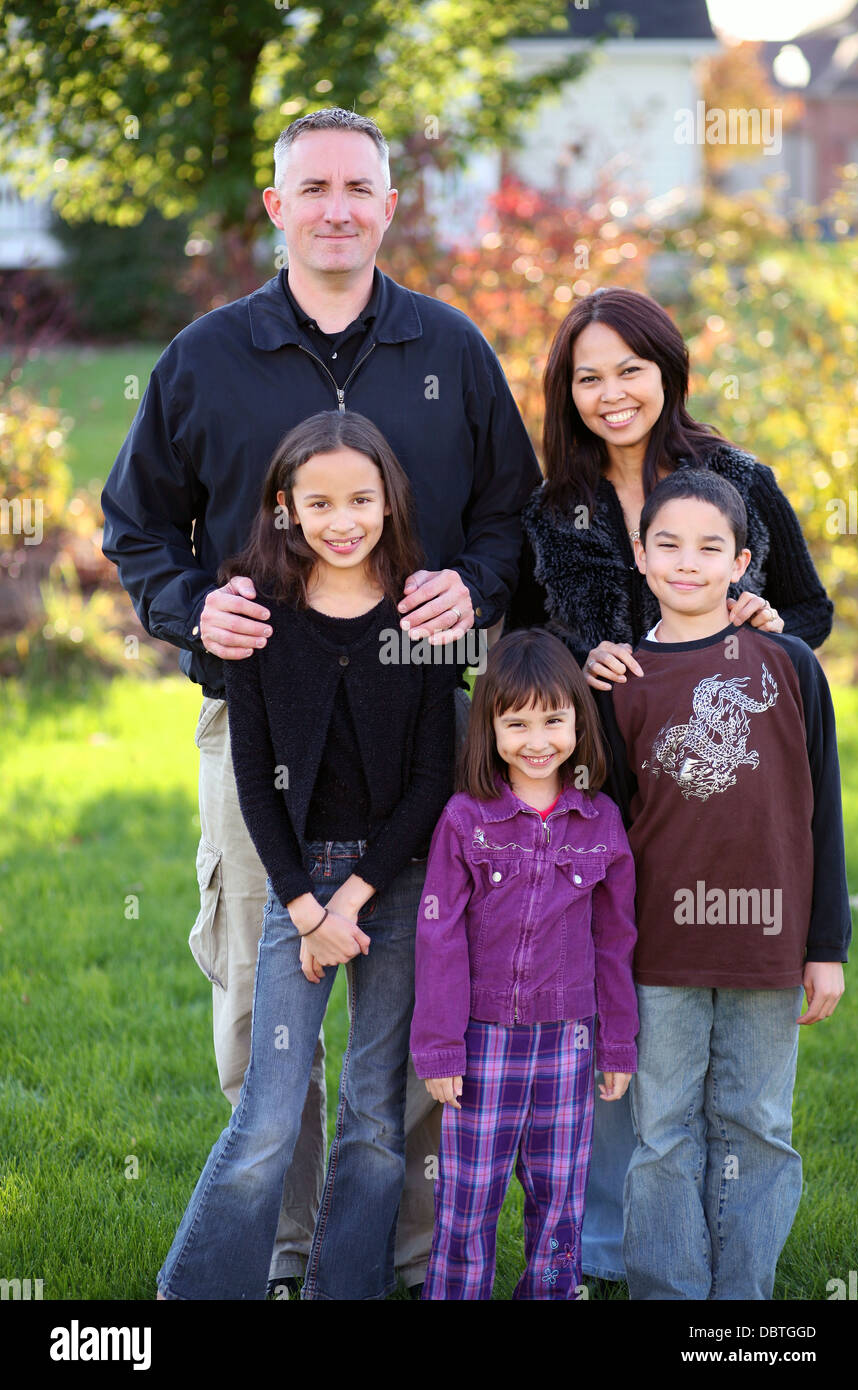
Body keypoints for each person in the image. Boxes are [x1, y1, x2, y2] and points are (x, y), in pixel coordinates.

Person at [101, 107, 540, 1292]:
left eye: (361, 185)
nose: (338, 205)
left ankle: (391, 1260)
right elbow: (136, 526)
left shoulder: (451, 351)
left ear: (390, 205)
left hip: (417, 724)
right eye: (315, 186)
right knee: (265, 1005)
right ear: (277, 207)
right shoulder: (204, 357)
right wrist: (189, 605)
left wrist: (476, 582)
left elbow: (513, 516)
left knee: (410, 1006)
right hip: (261, 720)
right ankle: (285, 1255)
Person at [506, 284, 834, 1282]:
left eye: (629, 369)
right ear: (565, 389)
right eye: (587, 375)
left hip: (734, 792)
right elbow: (522, 638)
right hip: (607, 796)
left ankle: (730, 1284)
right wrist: (576, 664)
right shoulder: (552, 508)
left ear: (665, 371)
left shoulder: (734, 475)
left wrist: (770, 640)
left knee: (740, 1101)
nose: (611, 393)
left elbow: (807, 612)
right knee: (632, 1068)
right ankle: (623, 1258)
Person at [157, 409, 457, 1300]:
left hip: (396, 884)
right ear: (284, 507)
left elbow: (433, 777)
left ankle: (346, 1286)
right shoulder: (257, 610)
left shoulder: (418, 615)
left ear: (390, 501)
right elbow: (254, 774)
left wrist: (354, 899)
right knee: (269, 1110)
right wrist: (302, 905)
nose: (341, 519)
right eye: (317, 502)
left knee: (373, 1113)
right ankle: (200, 1289)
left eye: (360, 498)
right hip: (298, 887)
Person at [594, 467, 850, 1300]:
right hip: (659, 946)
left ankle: (741, 1305)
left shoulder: (788, 666)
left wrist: (826, 948)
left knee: (757, 1125)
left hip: (769, 944)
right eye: (667, 544)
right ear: (639, 555)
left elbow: (823, 816)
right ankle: (671, 1294)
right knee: (663, 1129)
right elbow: (611, 833)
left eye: (711, 548)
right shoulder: (620, 681)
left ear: (742, 560)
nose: (688, 562)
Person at [410, 629, 639, 1300]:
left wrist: (616, 1044)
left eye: (553, 719)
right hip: (482, 1044)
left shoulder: (601, 822)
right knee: (468, 1199)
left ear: (577, 719)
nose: (537, 740)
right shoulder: (464, 822)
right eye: (516, 723)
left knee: (559, 1200)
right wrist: (442, 1047)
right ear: (490, 728)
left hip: (568, 1044)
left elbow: (614, 938)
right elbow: (439, 937)